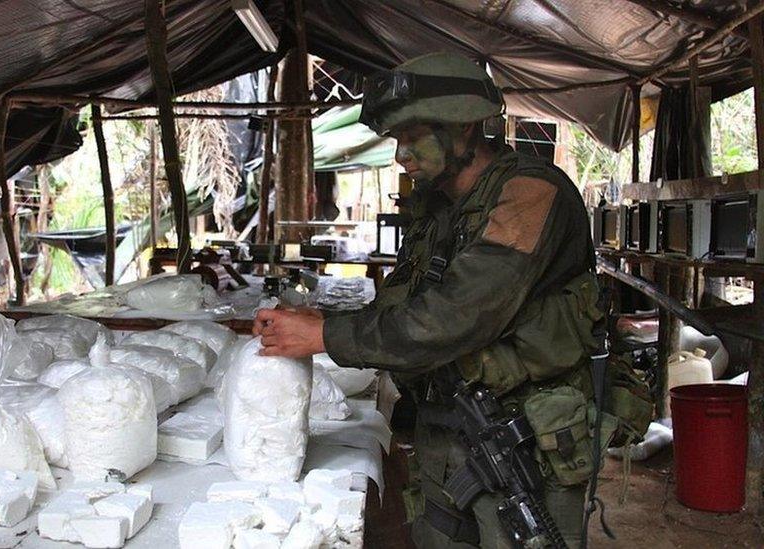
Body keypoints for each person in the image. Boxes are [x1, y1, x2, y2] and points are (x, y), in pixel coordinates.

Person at [253, 51, 605, 548]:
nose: (401, 155)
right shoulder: (438, 207)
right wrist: (326, 318)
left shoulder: (529, 194)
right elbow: (409, 302)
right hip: (451, 429)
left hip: (524, 439)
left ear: (465, 128)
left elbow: (455, 316)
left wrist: (325, 335)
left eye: (413, 136)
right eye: (397, 139)